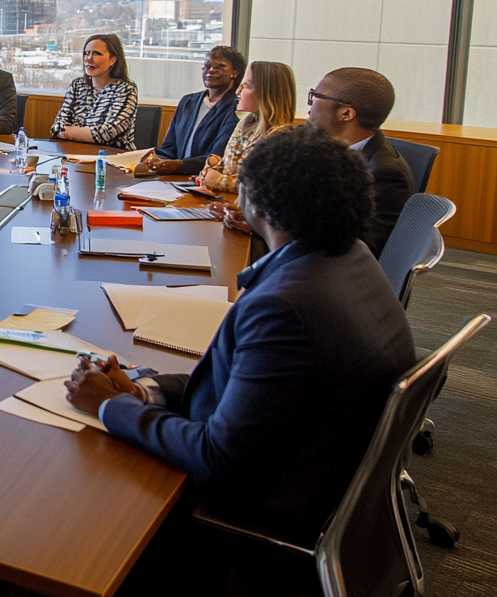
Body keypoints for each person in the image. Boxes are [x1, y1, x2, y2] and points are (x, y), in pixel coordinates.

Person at [65, 125, 415, 596]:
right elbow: (245, 387)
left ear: (258, 205)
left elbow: (218, 459)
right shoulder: (348, 258)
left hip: (247, 519)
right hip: (316, 469)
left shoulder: (285, 307)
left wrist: (108, 406)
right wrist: (144, 387)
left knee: (68, 511)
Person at [306, 68, 415, 256]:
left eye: (315, 96)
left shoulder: (384, 173)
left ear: (346, 113)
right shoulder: (334, 149)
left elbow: (360, 248)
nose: (309, 107)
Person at [200, 60, 296, 196]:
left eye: (247, 86)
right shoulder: (246, 123)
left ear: (266, 94)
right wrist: (209, 171)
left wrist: (220, 181)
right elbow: (225, 166)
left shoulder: (281, 136)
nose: (238, 90)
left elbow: (261, 187)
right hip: (224, 205)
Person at [145, 46, 245, 175]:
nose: (210, 71)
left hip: (206, 180)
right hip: (173, 178)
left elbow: (217, 157)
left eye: (219, 67)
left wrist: (180, 166)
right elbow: (168, 149)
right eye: (206, 66)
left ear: (235, 72)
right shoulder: (188, 102)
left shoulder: (236, 109)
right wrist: (150, 158)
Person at [50, 33, 138, 149]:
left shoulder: (126, 89)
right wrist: (86, 134)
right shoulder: (77, 85)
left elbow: (109, 133)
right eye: (86, 53)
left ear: (113, 59)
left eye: (96, 53)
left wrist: (68, 132)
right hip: (74, 155)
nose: (88, 58)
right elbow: (56, 128)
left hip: (113, 159)